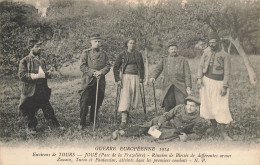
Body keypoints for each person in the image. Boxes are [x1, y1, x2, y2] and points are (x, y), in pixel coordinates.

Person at [18, 39, 63, 135]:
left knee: (48, 108)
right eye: (37, 46)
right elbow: (21, 76)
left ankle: (55, 126)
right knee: (30, 110)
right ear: (31, 48)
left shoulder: (42, 60)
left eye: (40, 46)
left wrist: (50, 73)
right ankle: (31, 128)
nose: (40, 48)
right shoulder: (24, 61)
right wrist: (36, 76)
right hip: (31, 90)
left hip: (42, 90)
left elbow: (44, 73)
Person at [112, 96, 206, 142]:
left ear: (197, 107)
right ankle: (123, 132)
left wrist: (188, 137)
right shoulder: (180, 107)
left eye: (192, 106)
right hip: (166, 123)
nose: (189, 108)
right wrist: (158, 124)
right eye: (188, 105)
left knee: (159, 134)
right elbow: (166, 115)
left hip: (173, 130)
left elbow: (198, 134)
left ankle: (151, 133)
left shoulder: (198, 119)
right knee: (150, 124)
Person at [197, 31, 232, 140]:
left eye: (214, 42)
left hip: (219, 83)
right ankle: (213, 127)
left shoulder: (225, 55)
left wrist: (225, 86)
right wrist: (199, 78)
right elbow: (201, 65)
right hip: (207, 82)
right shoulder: (206, 52)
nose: (212, 44)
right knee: (208, 105)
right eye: (210, 42)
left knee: (221, 106)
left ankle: (223, 131)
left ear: (218, 42)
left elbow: (227, 72)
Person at [78, 34, 111, 130]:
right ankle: (82, 121)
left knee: (97, 101)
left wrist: (101, 72)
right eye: (95, 41)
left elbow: (108, 66)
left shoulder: (104, 54)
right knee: (84, 101)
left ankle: (93, 119)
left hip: (100, 81)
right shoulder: (86, 53)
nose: (97, 43)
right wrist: (93, 72)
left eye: (99, 41)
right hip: (88, 80)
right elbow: (82, 66)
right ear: (91, 42)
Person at [150, 42, 192, 112]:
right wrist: (153, 77)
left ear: (177, 50)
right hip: (168, 85)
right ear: (168, 50)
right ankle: (168, 119)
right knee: (168, 103)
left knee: (180, 103)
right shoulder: (164, 59)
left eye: (175, 49)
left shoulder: (183, 59)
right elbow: (158, 69)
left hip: (180, 85)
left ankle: (180, 118)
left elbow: (187, 74)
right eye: (171, 49)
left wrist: (188, 86)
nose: (173, 51)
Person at [113, 38, 145, 129]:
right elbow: (115, 67)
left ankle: (129, 115)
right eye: (130, 43)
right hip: (125, 77)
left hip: (135, 77)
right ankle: (123, 119)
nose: (132, 45)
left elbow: (142, 67)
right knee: (125, 96)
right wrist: (117, 79)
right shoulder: (122, 54)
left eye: (134, 43)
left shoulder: (138, 54)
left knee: (134, 96)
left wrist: (142, 77)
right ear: (127, 44)